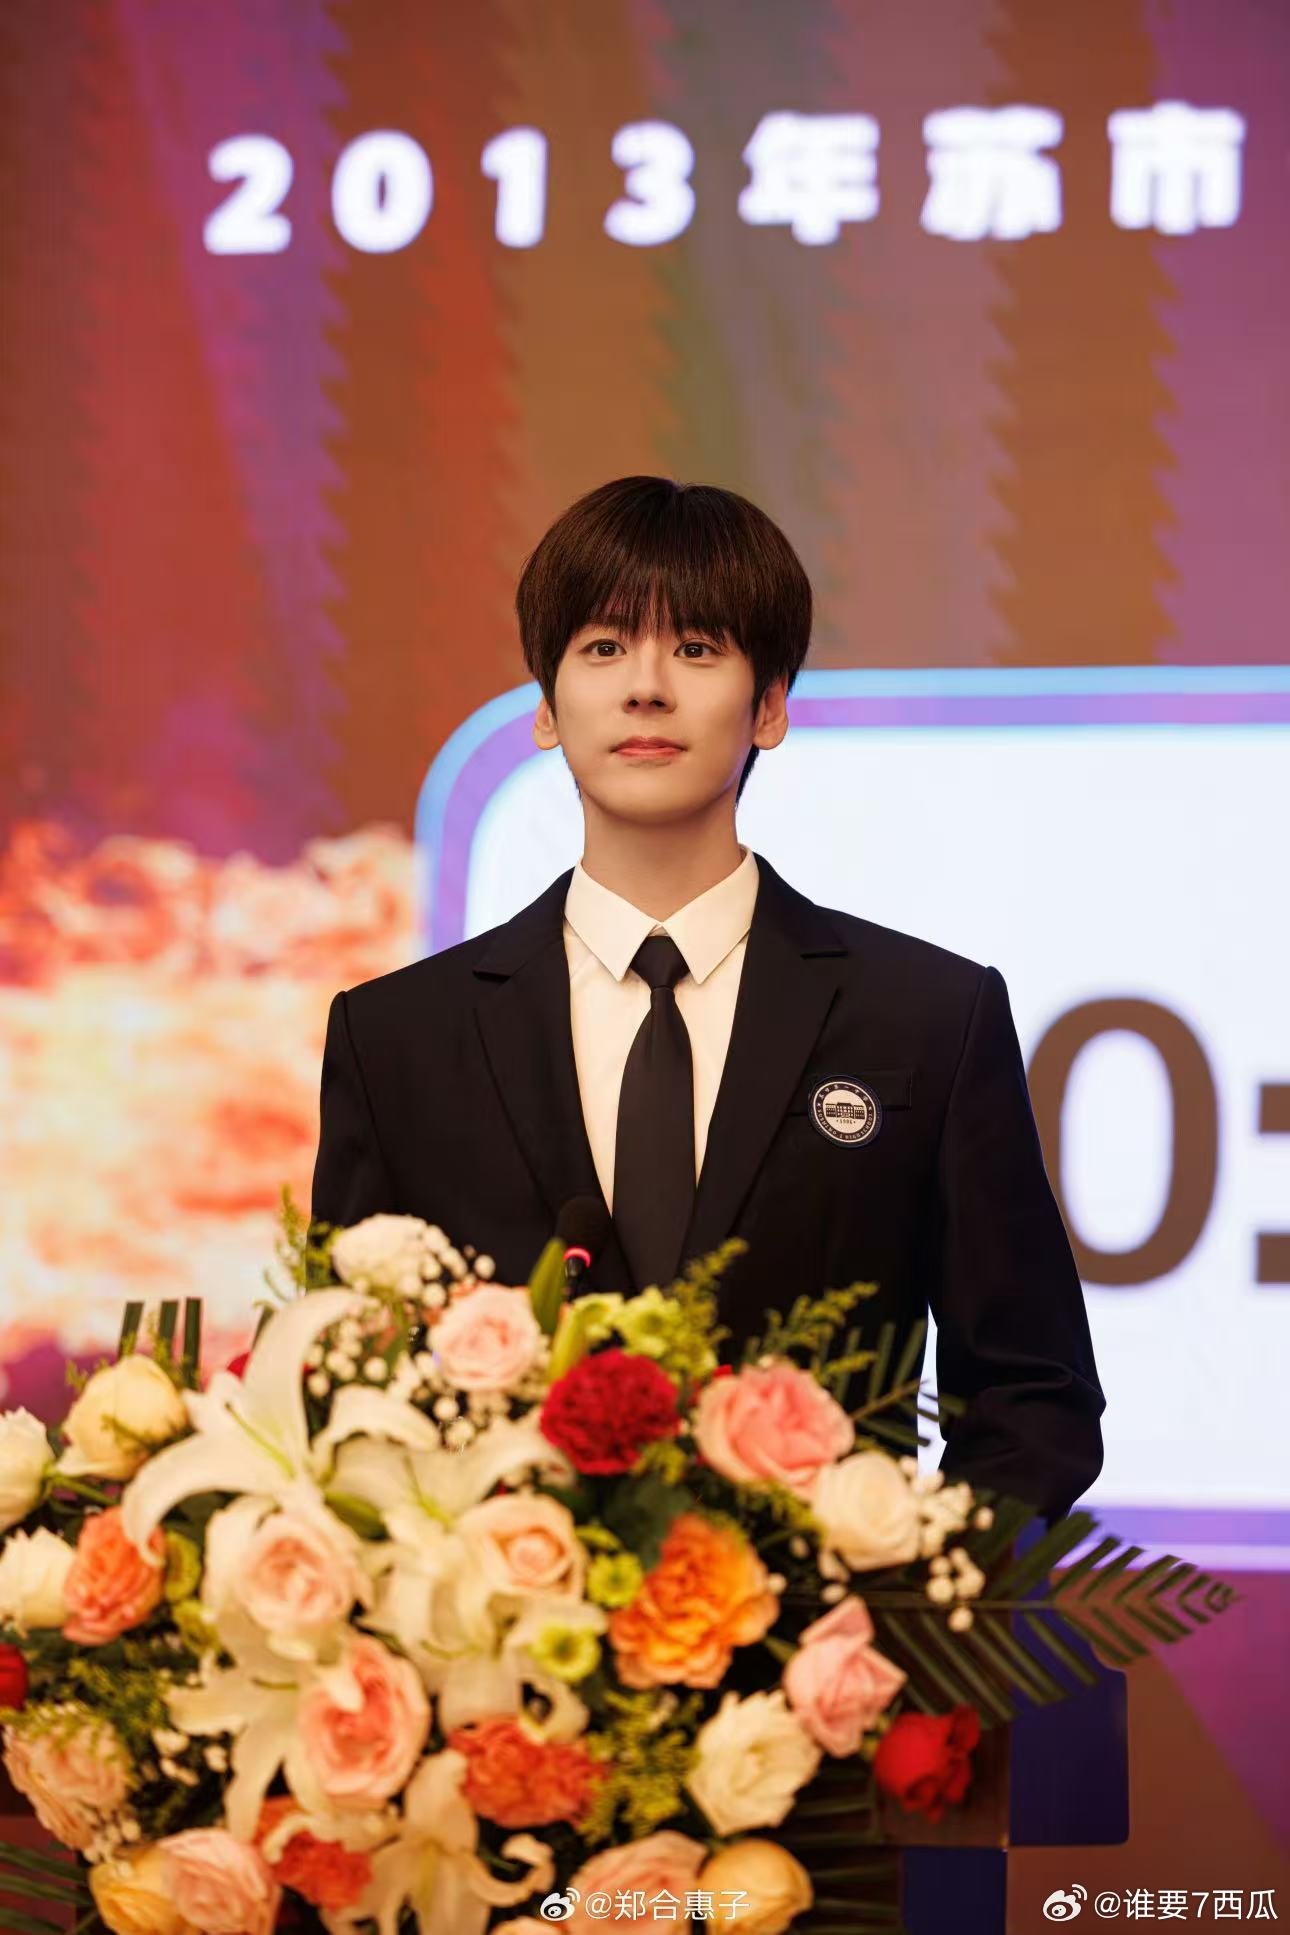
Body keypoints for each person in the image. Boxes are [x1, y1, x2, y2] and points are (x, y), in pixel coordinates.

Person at [310, 475, 1104, 1527]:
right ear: (544, 706)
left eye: (695, 648)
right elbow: (339, 1388)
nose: (646, 688)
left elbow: (1035, 1397)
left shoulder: (927, 1018)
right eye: (602, 648)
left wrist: (905, 1592)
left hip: (829, 1629)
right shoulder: (399, 1040)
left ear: (769, 705)